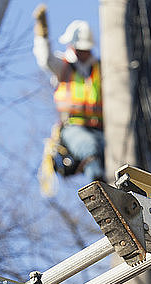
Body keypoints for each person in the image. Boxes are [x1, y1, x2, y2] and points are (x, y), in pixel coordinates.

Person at [33, 4, 104, 182]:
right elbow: (45, 59)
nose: (82, 53)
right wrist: (42, 36)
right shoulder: (64, 67)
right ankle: (100, 187)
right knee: (90, 148)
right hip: (74, 126)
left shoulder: (100, 69)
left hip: (102, 128)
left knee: (118, 156)